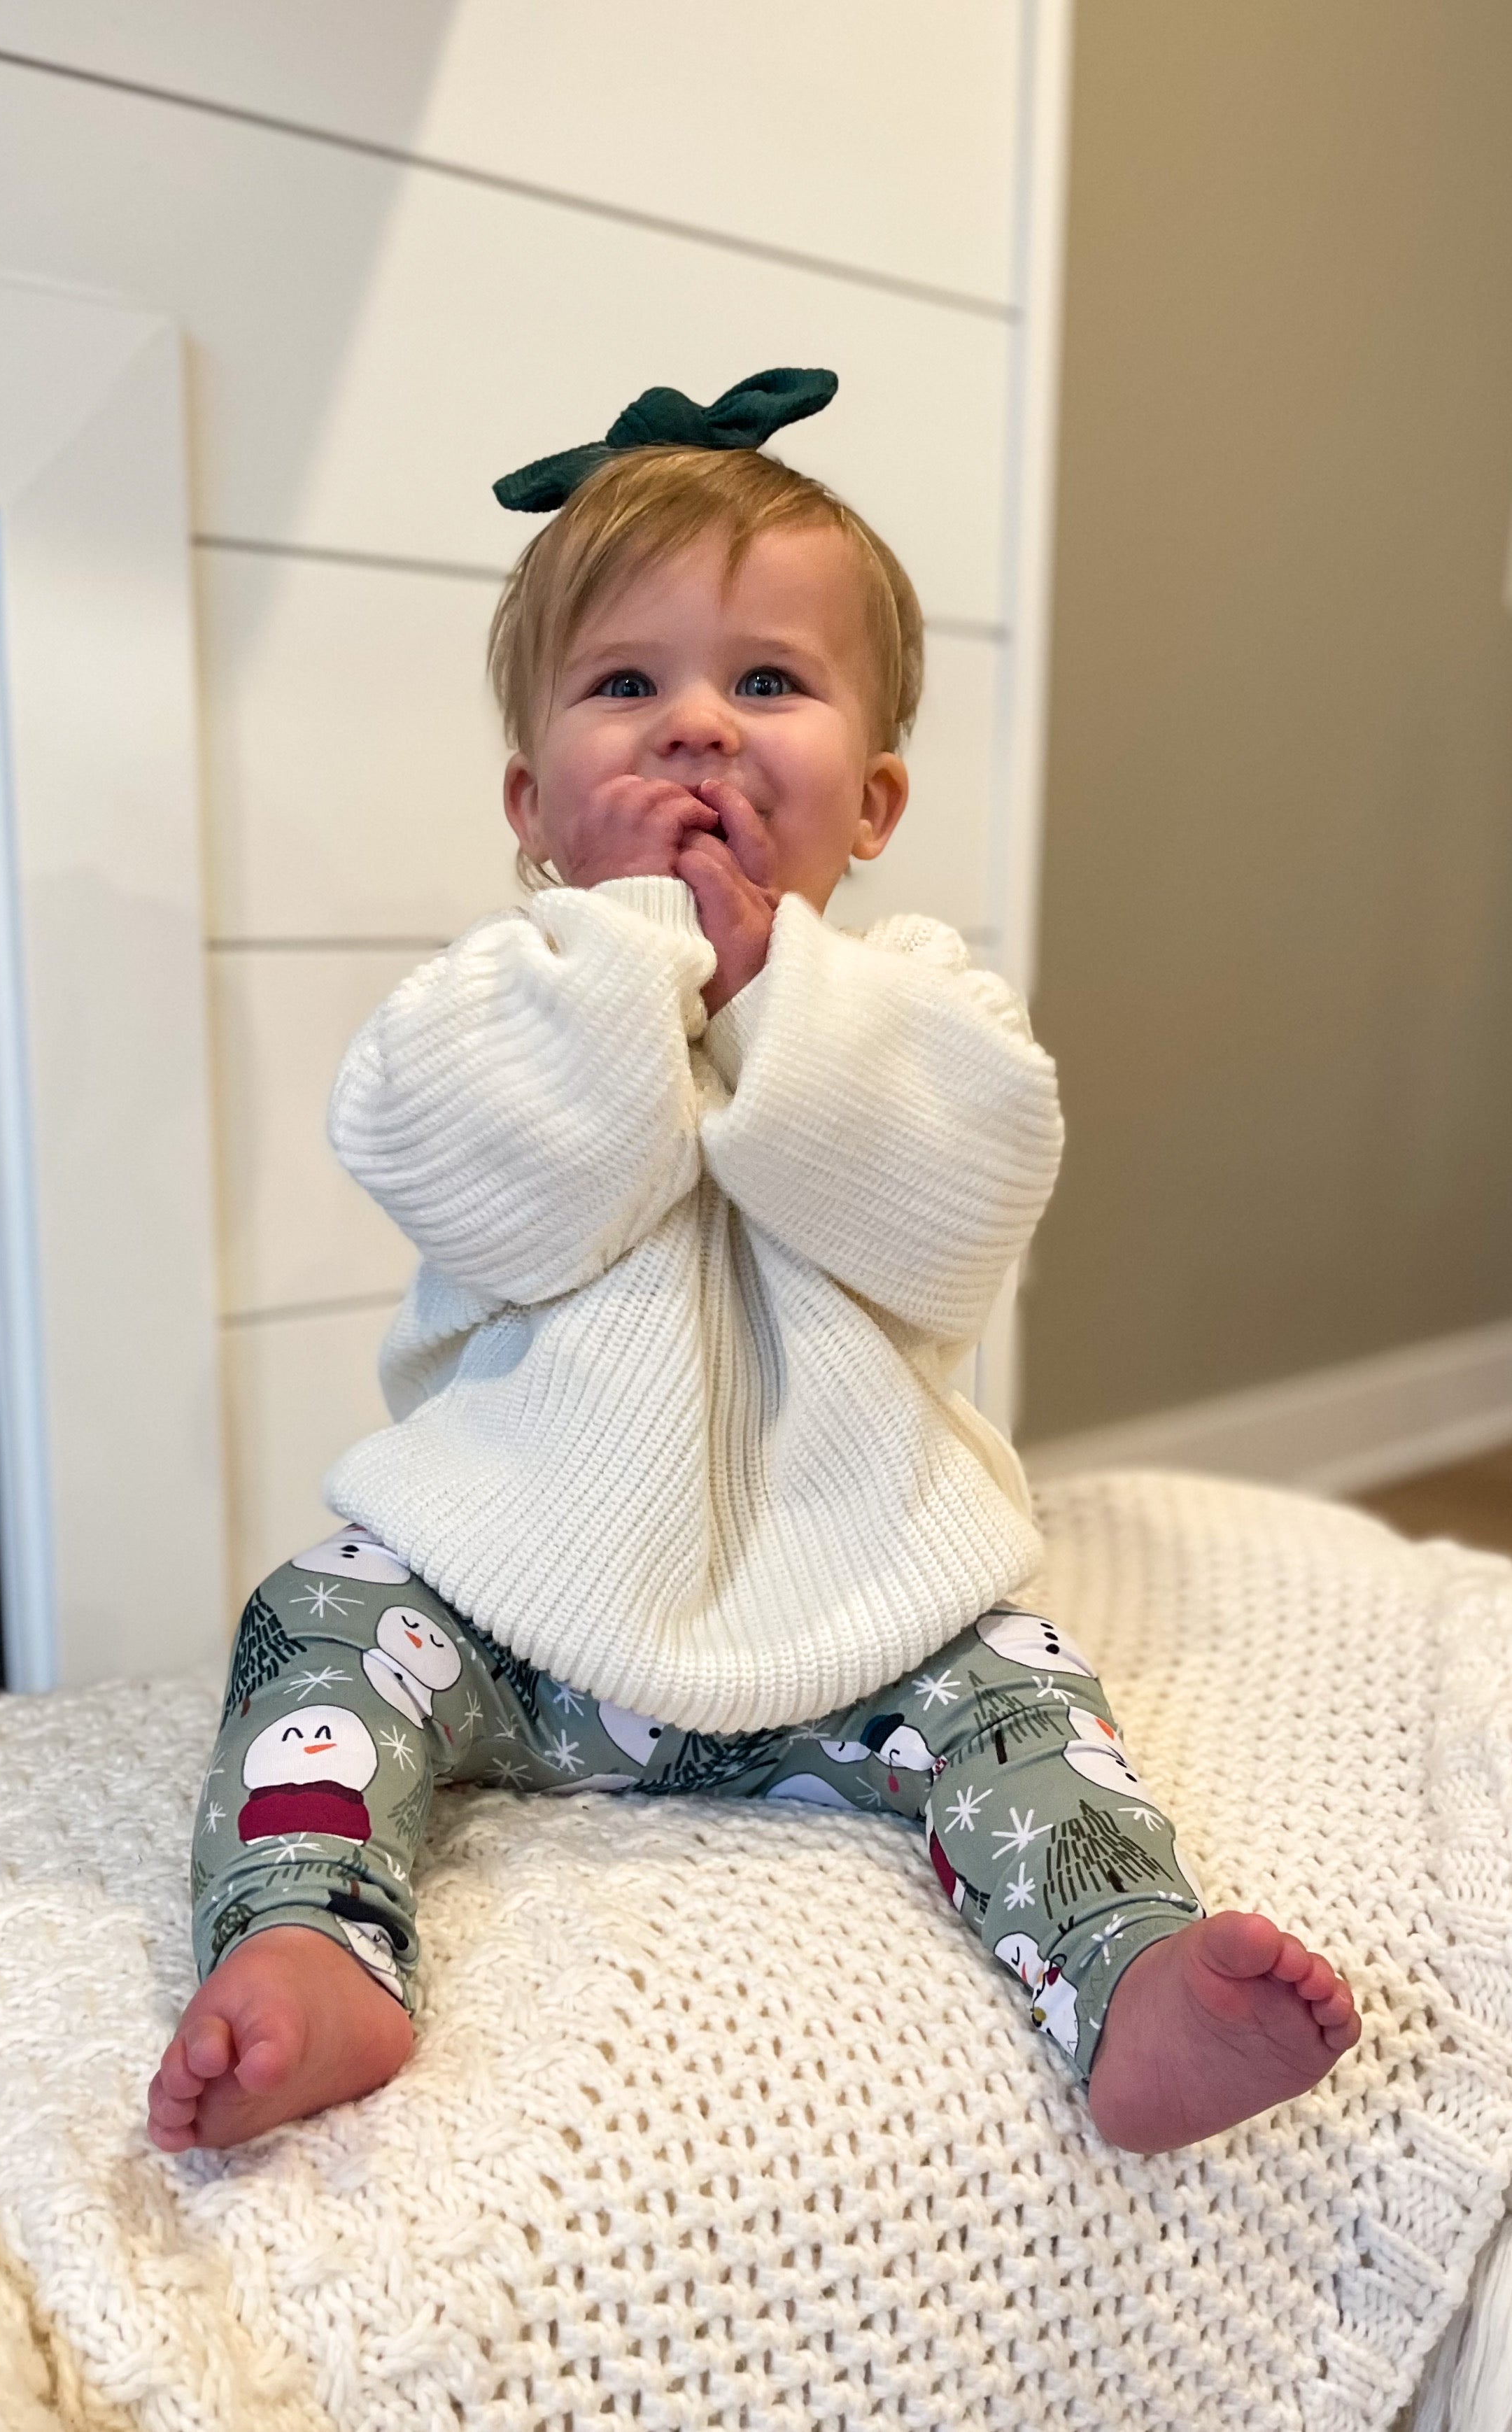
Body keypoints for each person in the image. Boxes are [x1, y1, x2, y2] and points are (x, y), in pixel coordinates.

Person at [149, 369, 1359, 2159]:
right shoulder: (489, 1008)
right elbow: (504, 1198)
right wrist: (634, 963)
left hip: (859, 1615)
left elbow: (955, 1202)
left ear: (871, 802)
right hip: (507, 1604)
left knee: (1021, 1693)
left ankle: (1128, 1976)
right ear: (530, 799)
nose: (697, 728)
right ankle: (317, 1945)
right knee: (308, 1626)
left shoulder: (921, 1010)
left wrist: (767, 997)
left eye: (767, 682)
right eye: (625, 686)